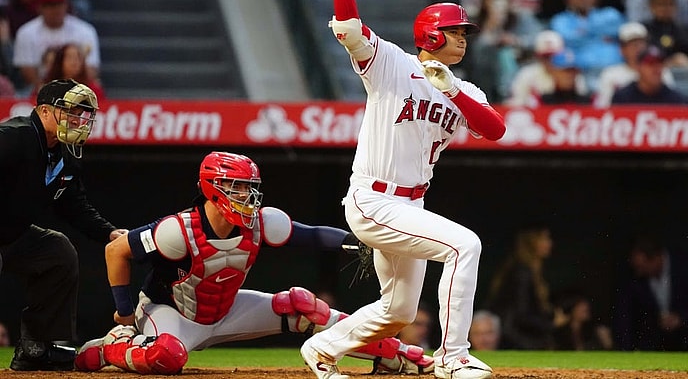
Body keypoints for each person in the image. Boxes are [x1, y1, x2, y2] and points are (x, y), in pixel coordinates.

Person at [301, 0, 507, 379]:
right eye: (455, 31)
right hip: (373, 199)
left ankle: (322, 348)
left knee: (397, 311)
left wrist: (450, 88)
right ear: (431, 33)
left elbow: (494, 130)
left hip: (411, 204)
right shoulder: (392, 64)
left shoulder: (465, 90)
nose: (463, 39)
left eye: (465, 32)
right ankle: (453, 358)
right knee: (464, 245)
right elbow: (351, 30)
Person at [73, 151, 434, 375]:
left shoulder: (261, 221)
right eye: (237, 187)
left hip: (227, 310)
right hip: (174, 314)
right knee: (167, 356)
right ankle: (111, 347)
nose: (247, 196)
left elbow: (310, 235)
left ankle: (392, 353)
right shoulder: (177, 230)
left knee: (303, 307)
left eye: (249, 187)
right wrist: (122, 313)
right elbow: (116, 251)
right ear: (213, 188)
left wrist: (360, 241)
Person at [0, 78, 127, 371]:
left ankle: (37, 347)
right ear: (44, 112)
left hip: (12, 236)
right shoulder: (12, 137)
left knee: (57, 251)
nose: (78, 120)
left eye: (83, 114)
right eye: (70, 111)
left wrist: (109, 232)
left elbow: (74, 207)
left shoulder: (64, 158)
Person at [612, 232, 688, 351]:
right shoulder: (634, 278)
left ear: (657, 258)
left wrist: (681, 318)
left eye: (642, 267)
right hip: (652, 347)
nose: (638, 272)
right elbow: (624, 316)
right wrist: (626, 349)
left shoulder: (687, 267)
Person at [486, 226, 568, 350]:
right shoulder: (521, 272)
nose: (549, 243)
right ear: (531, 243)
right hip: (518, 340)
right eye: (544, 239)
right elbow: (521, 315)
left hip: (525, 337)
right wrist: (551, 324)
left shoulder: (533, 271)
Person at [12, 0, 100, 95]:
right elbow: (27, 71)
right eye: (50, 5)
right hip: (41, 86)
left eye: (59, 4)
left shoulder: (85, 31)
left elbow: (92, 69)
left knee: (95, 88)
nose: (55, 10)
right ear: (40, 7)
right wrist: (47, 90)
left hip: (78, 88)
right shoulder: (26, 32)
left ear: (66, 5)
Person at [595, 21, 676, 108]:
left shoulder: (661, 71)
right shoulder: (610, 74)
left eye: (642, 43)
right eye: (633, 45)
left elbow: (671, 103)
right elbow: (603, 108)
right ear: (622, 49)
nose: (639, 48)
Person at [611, 45, 688, 104]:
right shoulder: (622, 98)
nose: (656, 69)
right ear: (638, 67)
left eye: (659, 64)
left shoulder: (676, 100)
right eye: (650, 64)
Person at [37, 43, 105, 103]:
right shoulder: (46, 88)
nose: (74, 62)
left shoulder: (93, 90)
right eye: (70, 57)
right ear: (60, 61)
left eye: (78, 57)